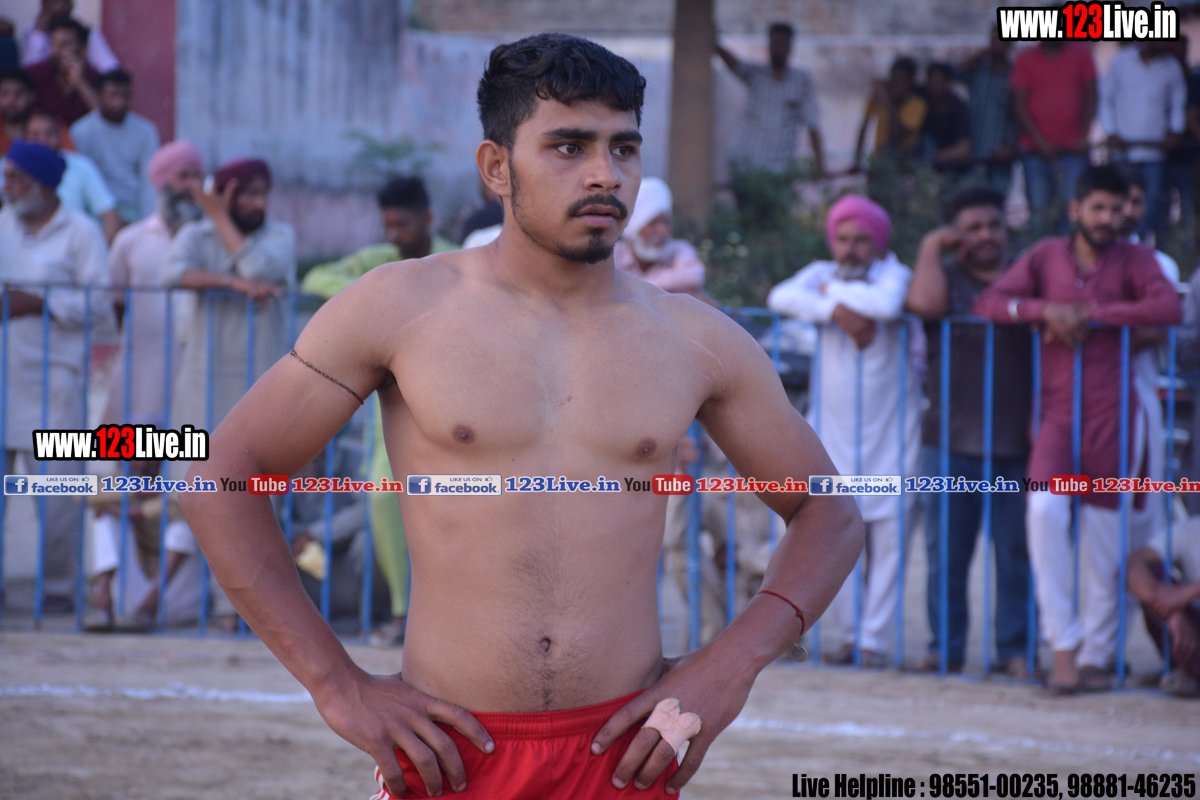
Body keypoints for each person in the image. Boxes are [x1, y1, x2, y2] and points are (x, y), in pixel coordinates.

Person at [179, 33, 862, 800]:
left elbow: (828, 511)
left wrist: (730, 665)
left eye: (624, 148)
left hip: (623, 757)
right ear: (496, 167)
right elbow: (221, 477)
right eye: (569, 146)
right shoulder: (400, 307)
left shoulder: (696, 339)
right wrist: (336, 683)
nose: (605, 174)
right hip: (447, 755)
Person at [974, 165, 1183, 694]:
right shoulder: (1046, 255)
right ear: (1076, 210)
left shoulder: (1136, 259)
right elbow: (990, 302)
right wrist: (1044, 310)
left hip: (1116, 419)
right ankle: (1063, 648)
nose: (1108, 218)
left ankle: (1095, 657)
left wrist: (1092, 314)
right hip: (1057, 418)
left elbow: (1169, 306)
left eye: (1117, 209)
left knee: (1106, 543)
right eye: (1098, 208)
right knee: (1043, 513)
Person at [302, 175, 458, 648]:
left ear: (427, 219)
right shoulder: (379, 264)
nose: (395, 235)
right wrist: (377, 298)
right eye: (388, 226)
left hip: (453, 403)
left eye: (403, 225)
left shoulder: (458, 260)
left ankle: (453, 619)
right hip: (393, 409)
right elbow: (314, 278)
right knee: (382, 495)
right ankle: (404, 613)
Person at [767, 194, 921, 668]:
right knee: (838, 532)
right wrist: (836, 311)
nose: (850, 249)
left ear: (879, 244)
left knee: (890, 540)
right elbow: (779, 296)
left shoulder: (894, 274)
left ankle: (875, 642)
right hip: (833, 435)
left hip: (892, 434)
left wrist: (828, 298)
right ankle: (852, 636)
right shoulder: (821, 274)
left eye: (861, 240)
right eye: (843, 239)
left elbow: (887, 304)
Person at [905, 186, 1032, 677]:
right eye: (972, 228)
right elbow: (924, 304)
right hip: (948, 440)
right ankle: (946, 648)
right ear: (955, 234)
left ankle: (1015, 651)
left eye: (993, 225)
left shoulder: (1026, 274)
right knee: (945, 555)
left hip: (1017, 443)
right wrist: (930, 246)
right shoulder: (944, 275)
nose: (985, 236)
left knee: (1016, 553)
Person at [165, 156, 296, 633]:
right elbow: (171, 274)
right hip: (202, 383)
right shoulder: (194, 236)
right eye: (248, 195)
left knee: (255, 500)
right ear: (226, 195)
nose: (259, 204)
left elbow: (259, 265)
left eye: (263, 195)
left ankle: (244, 614)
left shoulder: (279, 236)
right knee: (198, 491)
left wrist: (220, 218)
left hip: (260, 387)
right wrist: (231, 283)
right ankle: (209, 605)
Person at [81, 140, 206, 632]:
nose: (190, 186)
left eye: (196, 175)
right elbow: (114, 309)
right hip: (134, 390)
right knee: (109, 493)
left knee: (190, 496)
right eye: (181, 176)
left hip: (193, 394)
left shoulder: (208, 240)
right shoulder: (131, 241)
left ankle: (154, 601)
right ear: (161, 183)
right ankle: (105, 596)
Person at [0, 141, 109, 611]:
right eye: (6, 176)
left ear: (42, 185)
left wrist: (40, 302)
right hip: (4, 378)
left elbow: (101, 305)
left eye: (16, 178)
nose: (7, 186)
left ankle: (59, 592)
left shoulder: (81, 232)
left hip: (55, 384)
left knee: (58, 498)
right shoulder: (2, 224)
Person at [1100, 43, 1186, 246]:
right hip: (1123, 151)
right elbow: (1106, 99)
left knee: (1150, 205)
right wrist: (1111, 131)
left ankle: (1145, 250)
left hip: (1155, 152)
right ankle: (1118, 248)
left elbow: (1178, 104)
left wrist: (1175, 131)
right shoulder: (1122, 60)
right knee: (1118, 203)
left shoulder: (1171, 67)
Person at [715, 22, 824, 176]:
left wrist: (820, 167)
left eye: (783, 44)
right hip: (746, 164)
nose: (779, 49)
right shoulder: (756, 75)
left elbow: (813, 123)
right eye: (775, 43)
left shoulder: (802, 81)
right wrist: (714, 42)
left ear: (790, 48)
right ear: (769, 46)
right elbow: (735, 65)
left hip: (780, 170)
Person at [1010, 41, 1097, 230]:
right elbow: (1019, 103)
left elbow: (1092, 94)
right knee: (1039, 211)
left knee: (1074, 212)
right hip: (1035, 152)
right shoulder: (1026, 59)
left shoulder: (1080, 54)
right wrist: (1040, 142)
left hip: (1073, 151)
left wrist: (1084, 136)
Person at [70, 68, 160, 225]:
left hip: (133, 210)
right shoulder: (81, 132)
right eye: (112, 95)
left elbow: (149, 183)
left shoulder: (146, 132)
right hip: (94, 211)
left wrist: (148, 225)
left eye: (125, 96)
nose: (119, 102)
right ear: (99, 96)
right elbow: (79, 181)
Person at [17, 108, 121, 242]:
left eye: (49, 133)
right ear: (23, 140)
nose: (43, 141)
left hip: (74, 248)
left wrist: (96, 250)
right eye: (35, 135)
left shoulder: (81, 166)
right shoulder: (9, 170)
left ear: (59, 136)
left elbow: (110, 217)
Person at [612, 177, 715, 306]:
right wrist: (673, 294)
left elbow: (693, 278)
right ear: (633, 228)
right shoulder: (615, 254)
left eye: (666, 222)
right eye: (652, 223)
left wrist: (630, 293)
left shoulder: (680, 249)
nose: (663, 231)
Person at [1126, 518, 1200, 697]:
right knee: (1153, 572)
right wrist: (1172, 611)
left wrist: (1185, 594)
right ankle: (1188, 668)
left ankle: (1190, 671)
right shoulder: (1191, 530)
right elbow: (1134, 564)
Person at [956, 26, 1018, 193]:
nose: (997, 45)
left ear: (1010, 45)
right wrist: (978, 56)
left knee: (996, 200)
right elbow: (952, 74)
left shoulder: (1015, 74)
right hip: (973, 153)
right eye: (993, 40)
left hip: (1000, 154)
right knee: (970, 198)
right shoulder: (978, 71)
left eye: (1002, 41)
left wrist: (1010, 146)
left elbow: (1021, 113)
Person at [853, 57, 927, 171]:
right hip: (879, 160)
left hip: (902, 164)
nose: (897, 85)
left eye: (902, 81)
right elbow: (864, 127)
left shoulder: (917, 104)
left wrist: (886, 102)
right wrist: (857, 161)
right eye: (895, 80)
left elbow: (896, 137)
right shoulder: (879, 98)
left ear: (911, 82)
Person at [25, 16, 99, 126]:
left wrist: (80, 82)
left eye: (65, 44)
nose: (56, 50)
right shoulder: (34, 73)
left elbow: (104, 120)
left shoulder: (95, 76)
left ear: (83, 49)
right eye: (53, 43)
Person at [21, 0, 119, 73]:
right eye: (54, 2)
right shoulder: (32, 34)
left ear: (71, 6)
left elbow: (110, 69)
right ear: (44, 4)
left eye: (64, 2)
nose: (59, 8)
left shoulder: (86, 32)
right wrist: (38, 35)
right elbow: (29, 73)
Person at [0, 67, 73, 156]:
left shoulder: (47, 121)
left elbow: (69, 157)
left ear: (31, 96)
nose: (11, 101)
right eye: (4, 93)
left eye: (18, 93)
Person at [921, 62, 971, 172]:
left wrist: (931, 157)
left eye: (939, 82)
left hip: (952, 172)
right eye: (932, 82)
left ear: (948, 83)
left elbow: (963, 150)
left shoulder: (958, 107)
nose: (935, 87)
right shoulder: (921, 100)